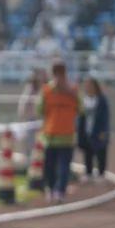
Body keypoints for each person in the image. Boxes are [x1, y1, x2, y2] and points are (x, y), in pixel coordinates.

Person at [38, 61, 80, 203]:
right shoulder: (47, 90)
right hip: (50, 135)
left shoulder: (73, 90)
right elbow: (40, 110)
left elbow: (81, 109)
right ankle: (50, 189)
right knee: (49, 166)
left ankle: (60, 192)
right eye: (56, 73)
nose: (59, 76)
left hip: (67, 136)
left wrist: (71, 94)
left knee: (64, 167)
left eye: (61, 73)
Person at [77, 75, 109, 181]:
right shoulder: (83, 100)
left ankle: (101, 173)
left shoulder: (101, 100)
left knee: (100, 152)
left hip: (98, 131)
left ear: (95, 86)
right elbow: (80, 116)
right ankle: (89, 172)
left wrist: (104, 131)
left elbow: (105, 116)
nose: (88, 87)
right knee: (88, 152)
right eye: (86, 85)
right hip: (86, 130)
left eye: (90, 85)